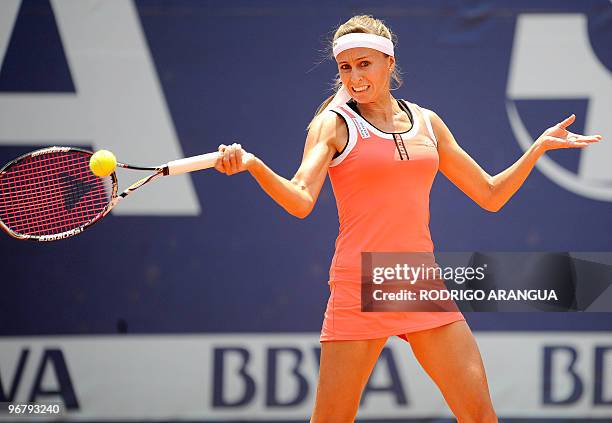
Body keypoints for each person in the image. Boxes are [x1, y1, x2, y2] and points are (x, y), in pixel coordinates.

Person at [213, 15, 601, 423]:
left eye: (365, 64)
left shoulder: (427, 122)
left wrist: (536, 148)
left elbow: (490, 195)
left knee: (481, 418)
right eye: (346, 67)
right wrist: (254, 165)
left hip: (416, 281)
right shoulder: (333, 125)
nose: (355, 77)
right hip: (360, 282)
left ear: (389, 63)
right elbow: (301, 199)